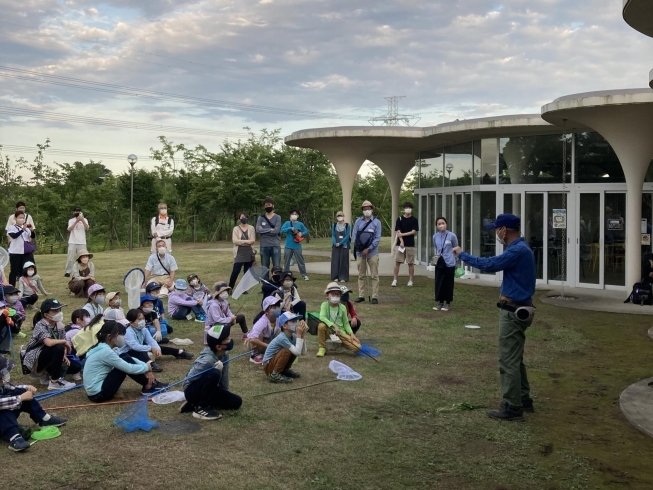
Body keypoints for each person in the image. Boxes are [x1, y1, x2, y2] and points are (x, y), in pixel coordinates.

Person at [453, 213, 536, 422]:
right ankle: (523, 399)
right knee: (515, 358)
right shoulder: (521, 248)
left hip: (512, 311)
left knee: (508, 359)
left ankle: (512, 406)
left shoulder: (517, 250)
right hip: (520, 308)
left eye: (497, 229)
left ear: (505, 230)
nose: (496, 233)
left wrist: (463, 255)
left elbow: (489, 264)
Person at [83, 321, 166, 403]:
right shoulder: (105, 352)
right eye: (121, 335)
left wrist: (146, 366)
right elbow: (128, 368)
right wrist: (146, 367)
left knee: (124, 357)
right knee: (125, 361)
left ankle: (151, 383)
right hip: (98, 395)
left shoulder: (103, 347)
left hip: (96, 391)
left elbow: (129, 358)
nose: (123, 337)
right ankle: (149, 386)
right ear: (109, 337)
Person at [0, 354, 67, 452]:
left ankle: (44, 419)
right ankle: (14, 437)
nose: (6, 374)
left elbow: (11, 388)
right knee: (3, 410)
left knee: (20, 392)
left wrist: (26, 388)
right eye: (3, 372)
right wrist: (20, 398)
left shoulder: (2, 384)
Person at [180, 324, 242, 420]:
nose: (230, 339)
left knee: (236, 402)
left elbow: (224, 377)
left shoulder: (225, 354)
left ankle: (193, 404)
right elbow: (189, 380)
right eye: (227, 338)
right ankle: (200, 408)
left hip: (208, 389)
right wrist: (192, 396)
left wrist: (223, 392)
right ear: (218, 346)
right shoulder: (207, 360)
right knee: (214, 373)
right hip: (191, 392)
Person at [22, 299, 82, 391]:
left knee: (75, 367)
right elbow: (49, 343)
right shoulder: (40, 325)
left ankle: (48, 374)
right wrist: (63, 343)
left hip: (52, 353)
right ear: (46, 314)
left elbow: (62, 344)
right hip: (35, 358)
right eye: (55, 311)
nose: (59, 313)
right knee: (58, 347)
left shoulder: (60, 325)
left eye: (59, 310)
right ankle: (54, 381)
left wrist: (64, 354)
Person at [119, 309, 192, 373]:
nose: (142, 321)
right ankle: (150, 363)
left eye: (143, 318)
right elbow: (135, 346)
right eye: (139, 319)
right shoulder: (128, 331)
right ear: (131, 322)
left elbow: (151, 341)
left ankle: (178, 352)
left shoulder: (143, 329)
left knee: (157, 347)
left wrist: (157, 349)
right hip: (126, 353)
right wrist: (151, 348)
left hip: (138, 348)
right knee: (139, 351)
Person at [316, 282, 361, 357]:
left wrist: (351, 334)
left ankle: (342, 344)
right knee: (321, 326)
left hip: (341, 332)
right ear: (327, 296)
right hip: (328, 330)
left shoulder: (342, 307)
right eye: (333, 294)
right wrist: (334, 326)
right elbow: (322, 317)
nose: (335, 296)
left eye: (338, 294)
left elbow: (346, 323)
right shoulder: (324, 305)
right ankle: (322, 348)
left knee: (357, 347)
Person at [262, 312, 307, 383]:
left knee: (292, 350)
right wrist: (299, 335)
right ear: (285, 326)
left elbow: (303, 352)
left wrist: (302, 336)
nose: (296, 323)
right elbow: (298, 352)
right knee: (287, 351)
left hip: (274, 363)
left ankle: (284, 370)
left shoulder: (293, 336)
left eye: (296, 321)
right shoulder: (282, 337)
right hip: (268, 366)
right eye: (293, 321)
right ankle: (274, 375)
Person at [351, 200, 382, 304]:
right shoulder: (358, 221)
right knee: (361, 275)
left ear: (372, 209)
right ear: (362, 210)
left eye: (368, 208)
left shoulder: (377, 222)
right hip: (360, 253)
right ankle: (361, 295)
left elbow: (377, 238)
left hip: (372, 253)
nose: (367, 210)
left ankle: (374, 296)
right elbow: (354, 236)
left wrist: (368, 249)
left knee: (374, 275)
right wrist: (360, 248)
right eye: (365, 209)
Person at [244, 296, 282, 365]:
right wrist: (268, 346)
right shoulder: (262, 321)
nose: (277, 309)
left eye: (278, 307)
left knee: (281, 331)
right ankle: (254, 354)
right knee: (259, 334)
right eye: (274, 307)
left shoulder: (279, 319)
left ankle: (271, 353)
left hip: (267, 342)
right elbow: (252, 339)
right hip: (256, 343)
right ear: (266, 311)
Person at [432, 217, 459, 311]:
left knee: (448, 283)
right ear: (436, 226)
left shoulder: (452, 235)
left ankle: (447, 303)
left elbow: (456, 248)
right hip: (440, 262)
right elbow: (436, 247)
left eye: (442, 223)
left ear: (446, 224)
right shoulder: (435, 236)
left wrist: (456, 261)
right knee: (439, 282)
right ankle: (440, 301)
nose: (441, 225)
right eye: (439, 224)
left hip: (450, 262)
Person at [392, 202, 419, 288]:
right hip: (400, 245)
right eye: (406, 207)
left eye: (409, 207)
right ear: (403, 209)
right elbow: (398, 231)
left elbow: (413, 231)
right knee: (397, 262)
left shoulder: (414, 220)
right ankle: (395, 279)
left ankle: (410, 280)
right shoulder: (399, 219)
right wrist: (401, 241)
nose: (408, 209)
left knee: (410, 263)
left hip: (410, 244)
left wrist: (402, 235)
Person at [6, 210, 35, 286]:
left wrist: (32, 230)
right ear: (15, 218)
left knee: (24, 271)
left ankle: (24, 287)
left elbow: (32, 236)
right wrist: (22, 230)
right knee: (14, 271)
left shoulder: (26, 228)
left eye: (23, 218)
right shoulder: (12, 227)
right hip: (15, 252)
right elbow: (14, 236)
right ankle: (11, 287)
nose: (22, 219)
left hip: (24, 252)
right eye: (20, 217)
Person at [256, 198, 281, 279]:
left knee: (276, 267)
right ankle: (265, 286)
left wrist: (263, 230)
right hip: (264, 246)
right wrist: (270, 229)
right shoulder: (261, 218)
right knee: (264, 267)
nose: (268, 206)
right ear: (264, 207)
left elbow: (276, 231)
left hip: (275, 245)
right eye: (266, 205)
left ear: (273, 206)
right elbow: (258, 230)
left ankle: (277, 284)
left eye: (269, 205)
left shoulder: (277, 217)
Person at [229, 212, 256, 289]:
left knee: (247, 272)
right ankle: (230, 287)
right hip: (239, 252)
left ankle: (244, 288)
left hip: (249, 252)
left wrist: (241, 241)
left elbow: (253, 240)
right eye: (242, 217)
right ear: (239, 218)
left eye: (245, 216)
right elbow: (234, 240)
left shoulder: (251, 228)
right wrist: (246, 241)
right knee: (236, 270)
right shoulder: (236, 228)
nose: (244, 218)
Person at [281, 209, 309, 281]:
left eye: (295, 214)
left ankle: (304, 275)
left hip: (297, 245)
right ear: (290, 215)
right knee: (287, 261)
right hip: (288, 245)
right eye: (292, 214)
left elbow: (306, 231)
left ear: (298, 216)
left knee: (300, 261)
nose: (294, 215)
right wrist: (290, 228)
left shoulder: (300, 224)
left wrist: (301, 233)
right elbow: (282, 230)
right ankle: (286, 275)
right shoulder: (287, 223)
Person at [64, 207, 90, 278]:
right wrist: (76, 221)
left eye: (78, 211)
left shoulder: (84, 220)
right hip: (72, 241)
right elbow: (69, 229)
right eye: (75, 211)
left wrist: (82, 220)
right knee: (70, 257)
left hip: (82, 242)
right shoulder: (71, 220)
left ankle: (82, 270)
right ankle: (68, 272)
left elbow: (87, 228)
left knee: (83, 257)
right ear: (73, 212)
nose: (77, 213)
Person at [331, 210, 351, 282]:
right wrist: (335, 242)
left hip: (344, 245)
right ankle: (335, 277)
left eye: (341, 215)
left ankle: (343, 277)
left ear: (343, 216)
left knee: (343, 261)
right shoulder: (334, 225)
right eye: (338, 216)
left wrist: (341, 243)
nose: (340, 217)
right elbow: (333, 235)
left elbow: (347, 236)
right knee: (335, 261)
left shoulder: (347, 225)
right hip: (335, 245)